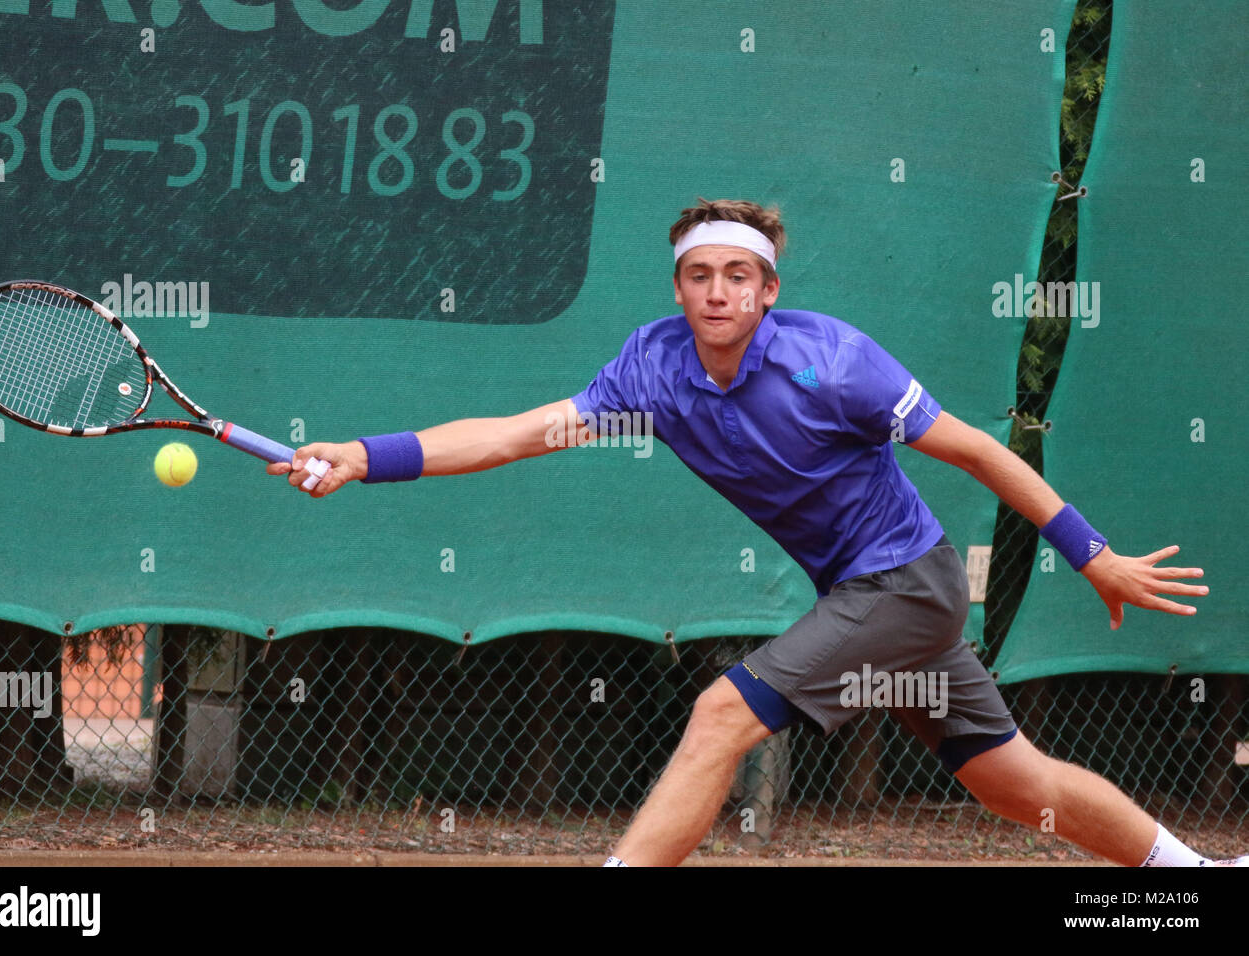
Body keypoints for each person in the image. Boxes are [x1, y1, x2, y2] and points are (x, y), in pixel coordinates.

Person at [268, 198, 1243, 868]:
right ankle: (1194, 870)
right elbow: (517, 434)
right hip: (869, 600)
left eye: (739, 274)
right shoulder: (649, 372)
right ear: (679, 288)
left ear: (768, 288)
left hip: (906, 581)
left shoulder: (838, 363)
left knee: (718, 714)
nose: (718, 291)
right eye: (698, 275)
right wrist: (362, 451)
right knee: (1012, 783)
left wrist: (1091, 551)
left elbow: (982, 456)